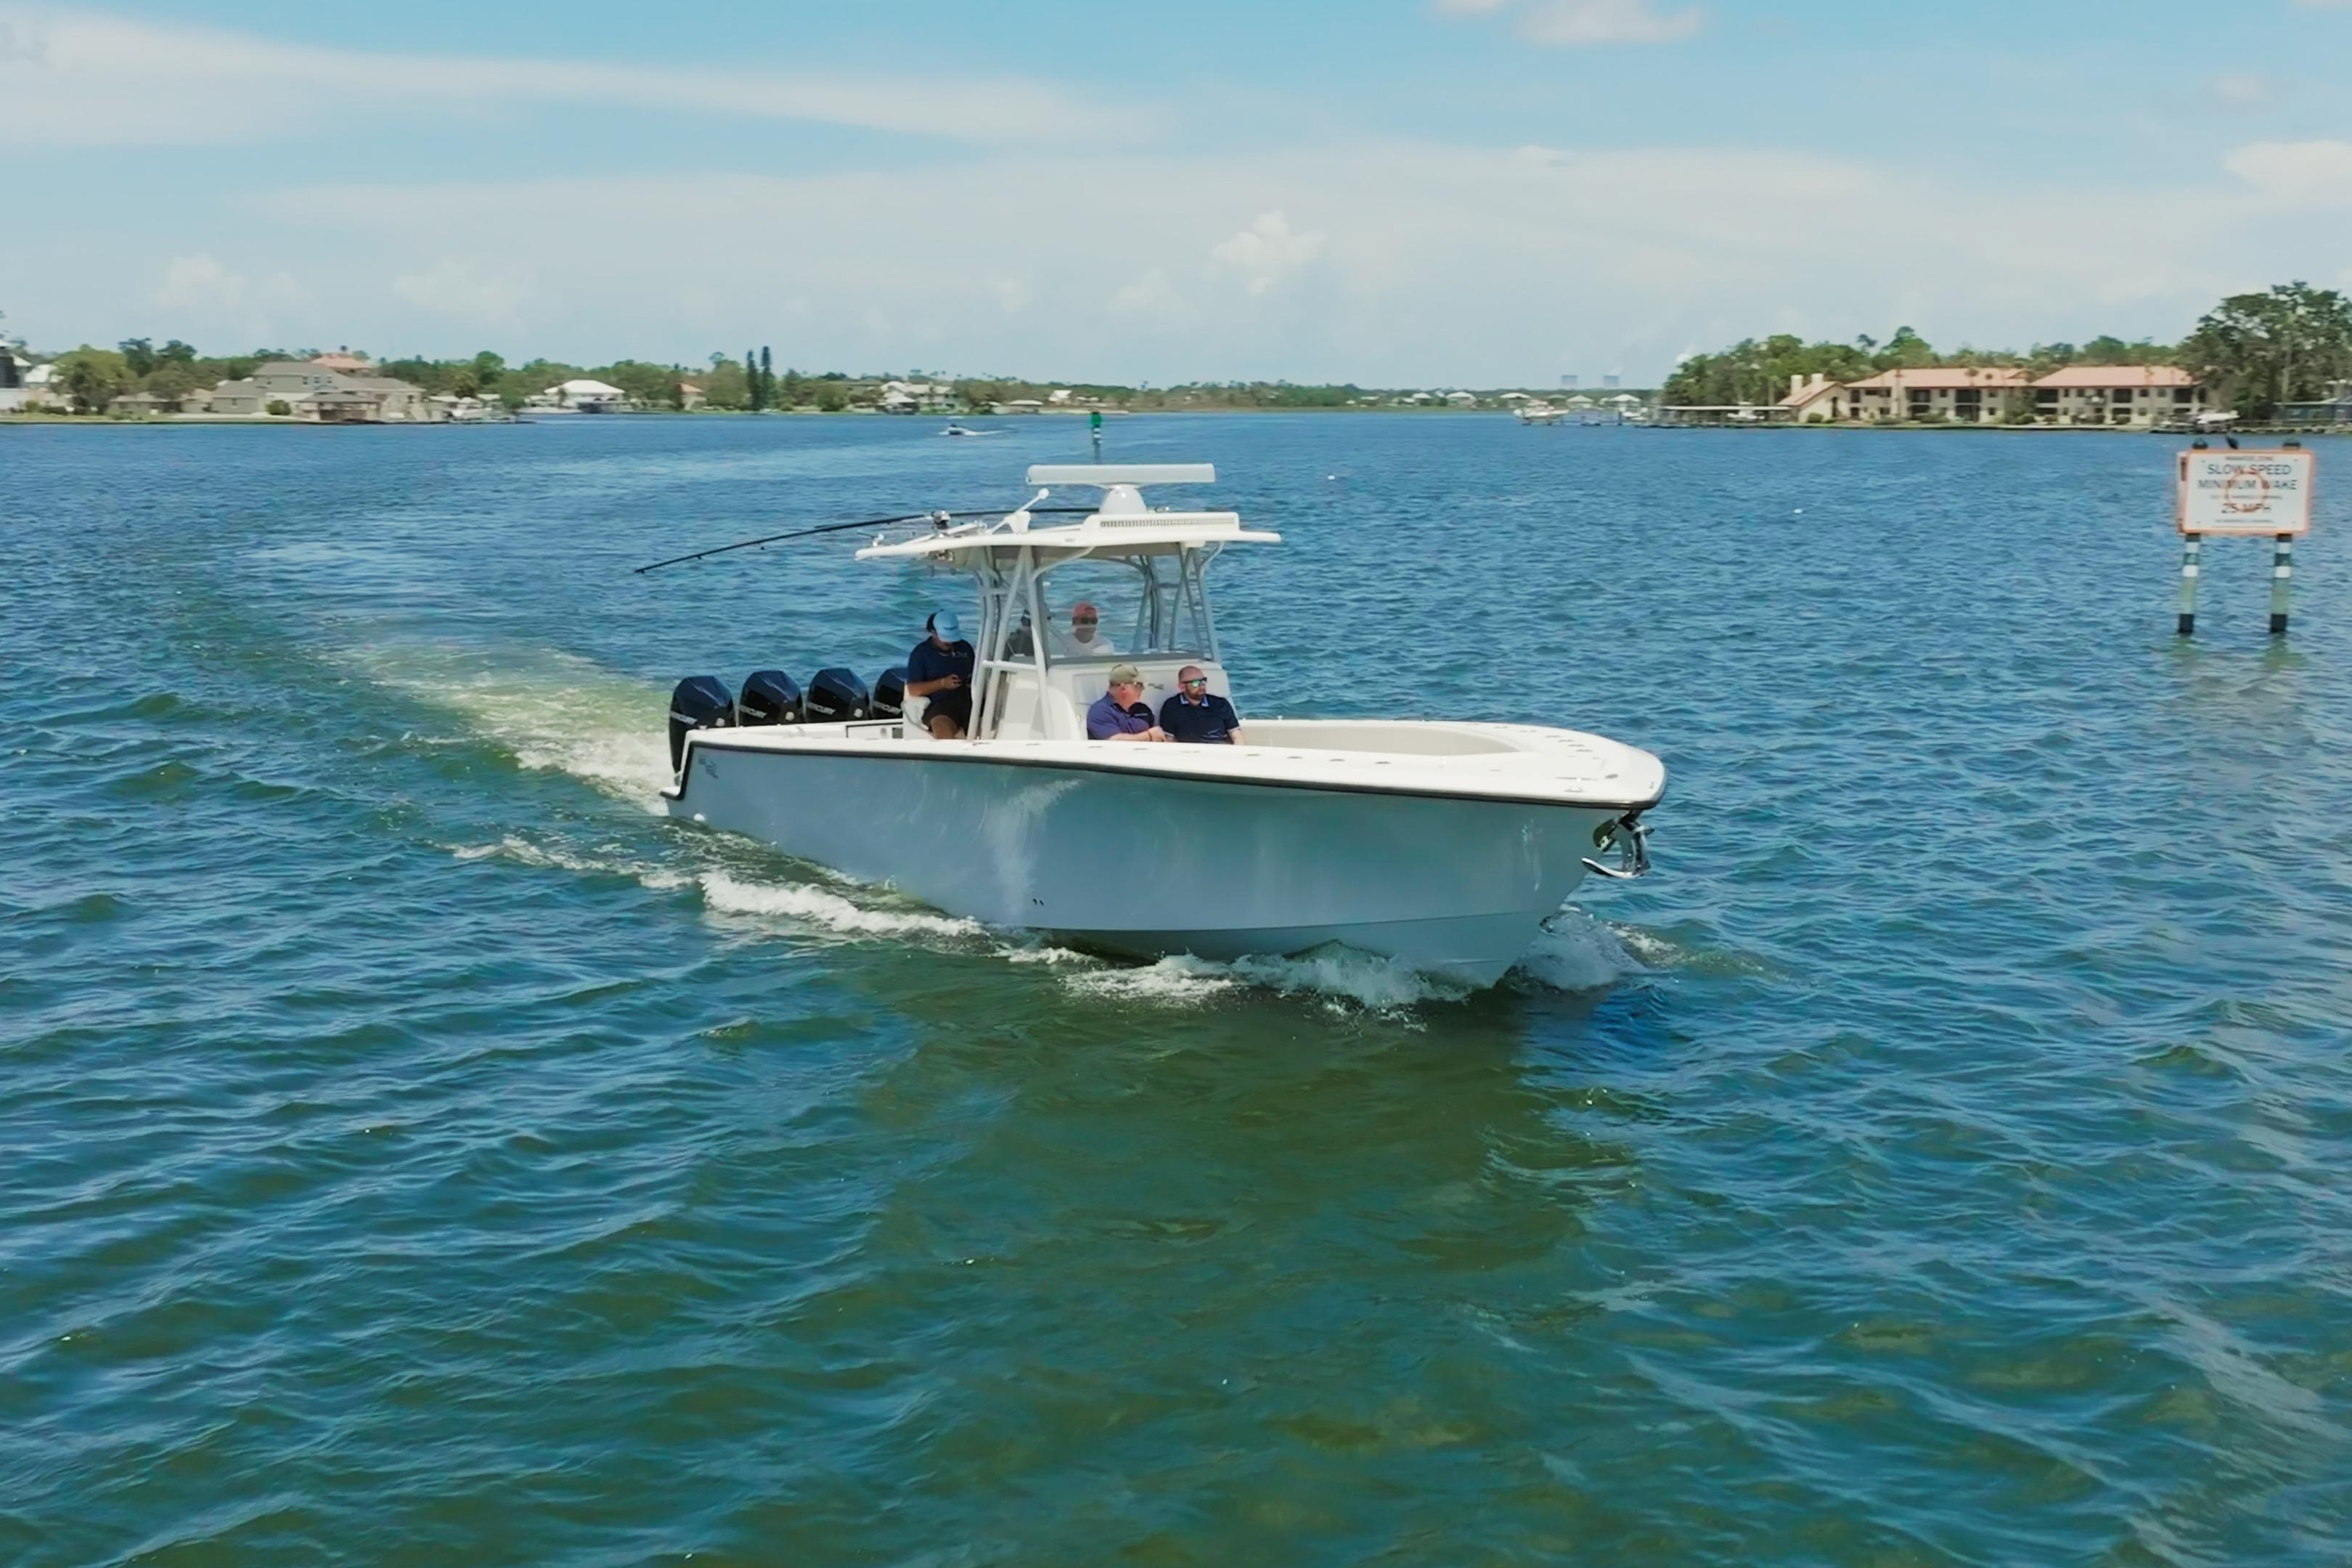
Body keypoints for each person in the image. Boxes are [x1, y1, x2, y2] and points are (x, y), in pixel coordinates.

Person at [905, 608, 975, 738]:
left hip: (970, 699)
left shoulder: (965, 648)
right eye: (945, 639)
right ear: (933, 633)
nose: (950, 642)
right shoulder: (921, 653)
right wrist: (942, 683)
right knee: (942, 726)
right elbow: (913, 690)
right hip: (942, 704)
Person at [1159, 665, 1244, 744]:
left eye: (1203, 681)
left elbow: (1237, 736)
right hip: (1189, 753)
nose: (1202, 686)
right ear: (1182, 687)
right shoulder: (1171, 707)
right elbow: (1169, 740)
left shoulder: (1221, 704)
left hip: (1220, 749)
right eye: (1196, 683)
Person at [1085, 663, 1167, 741]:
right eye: (1139, 685)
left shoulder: (1143, 709)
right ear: (1123, 688)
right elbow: (1114, 741)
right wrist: (1149, 735)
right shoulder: (1100, 711)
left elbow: (1157, 735)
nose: (1143, 688)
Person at [1049, 600, 1119, 658]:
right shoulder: (1060, 643)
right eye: (1085, 620)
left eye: (1093, 621)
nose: (1090, 624)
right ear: (1075, 622)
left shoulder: (1105, 644)